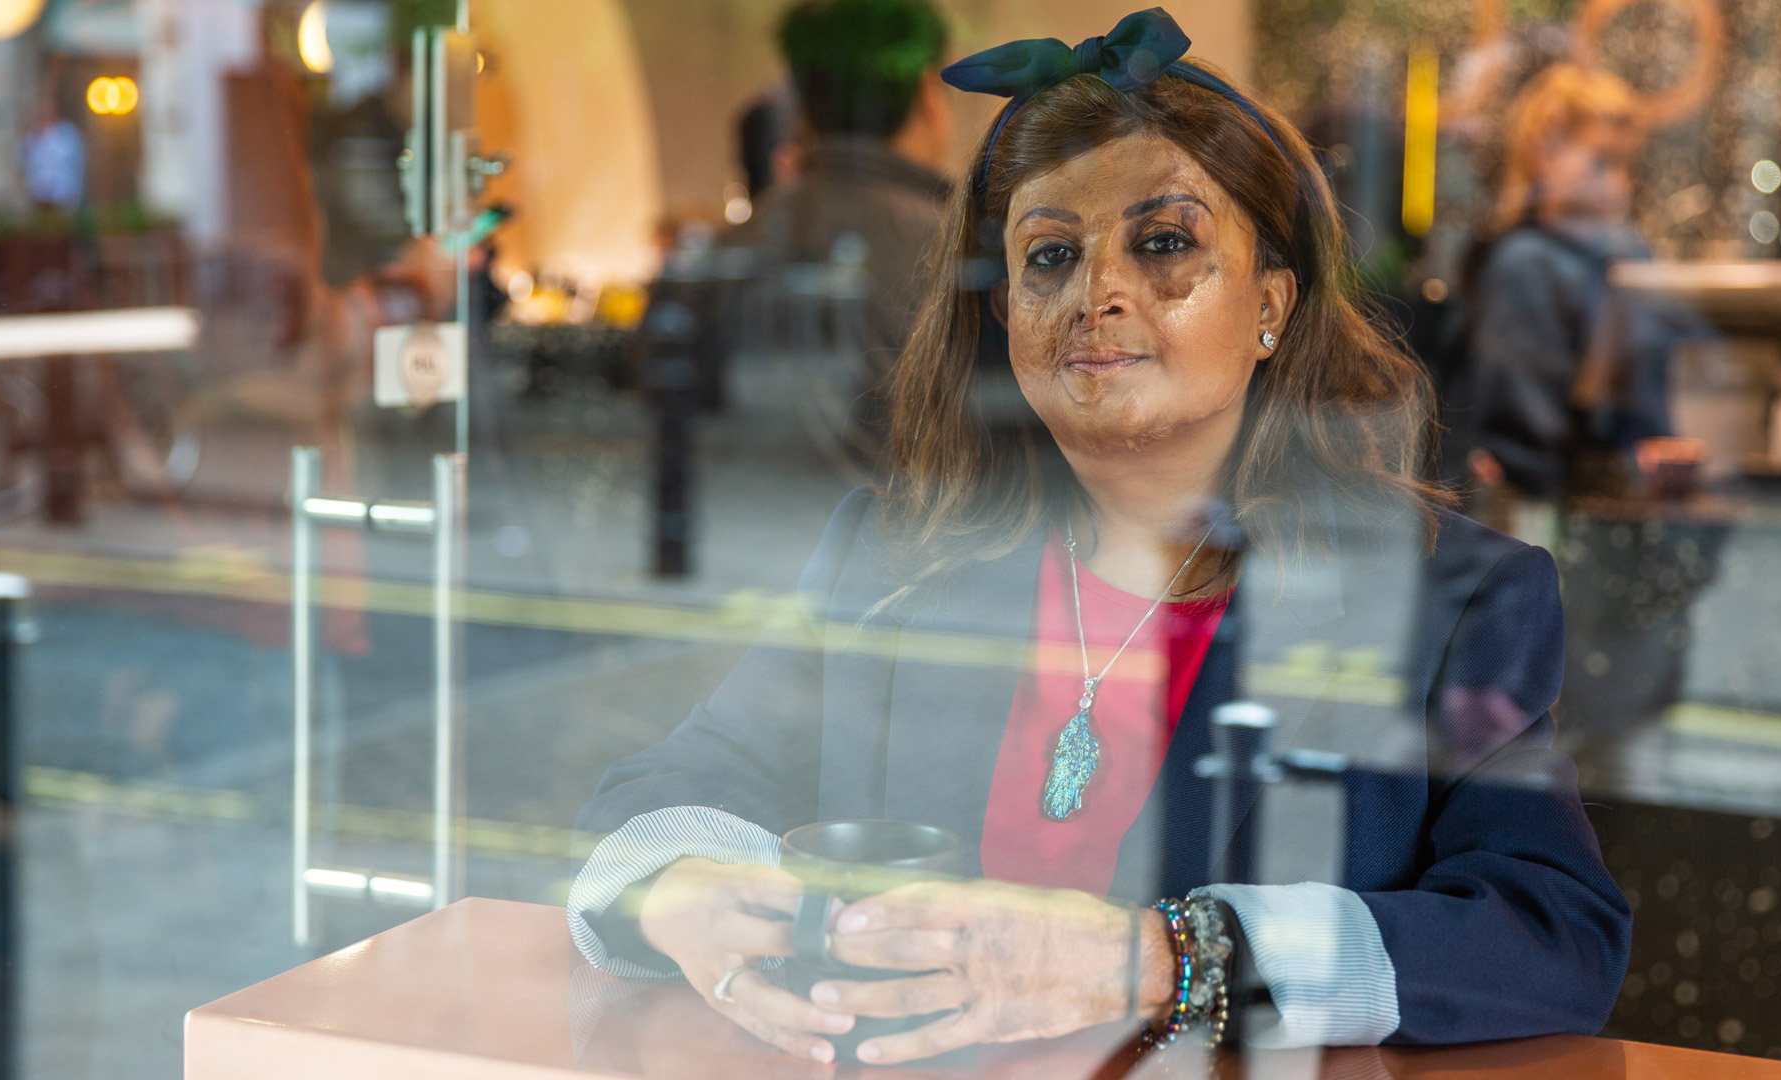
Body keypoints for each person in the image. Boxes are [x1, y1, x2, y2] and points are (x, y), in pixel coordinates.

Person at [569, 10, 1629, 1065]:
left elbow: (1552, 934)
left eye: (1164, 244)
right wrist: (691, 898)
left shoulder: (1453, 600)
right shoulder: (892, 554)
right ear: (1000, 311)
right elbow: (663, 795)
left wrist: (1165, 961)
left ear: (1272, 304)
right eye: (1049, 257)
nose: (1098, 293)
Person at [1462, 64, 1717, 782]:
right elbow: (1527, 429)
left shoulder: (1619, 256)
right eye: (1599, 161)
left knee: (1604, 751)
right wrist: (1618, 455)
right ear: (1544, 151)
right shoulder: (1524, 263)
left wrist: (1652, 447)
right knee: (1540, 751)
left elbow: (1654, 380)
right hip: (1550, 526)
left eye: (1626, 166)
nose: (1617, 184)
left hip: (1607, 533)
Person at [707, 0, 953, 466]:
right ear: (927, 95)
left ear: (802, 106)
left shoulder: (729, 249)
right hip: (910, 532)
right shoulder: (963, 252)